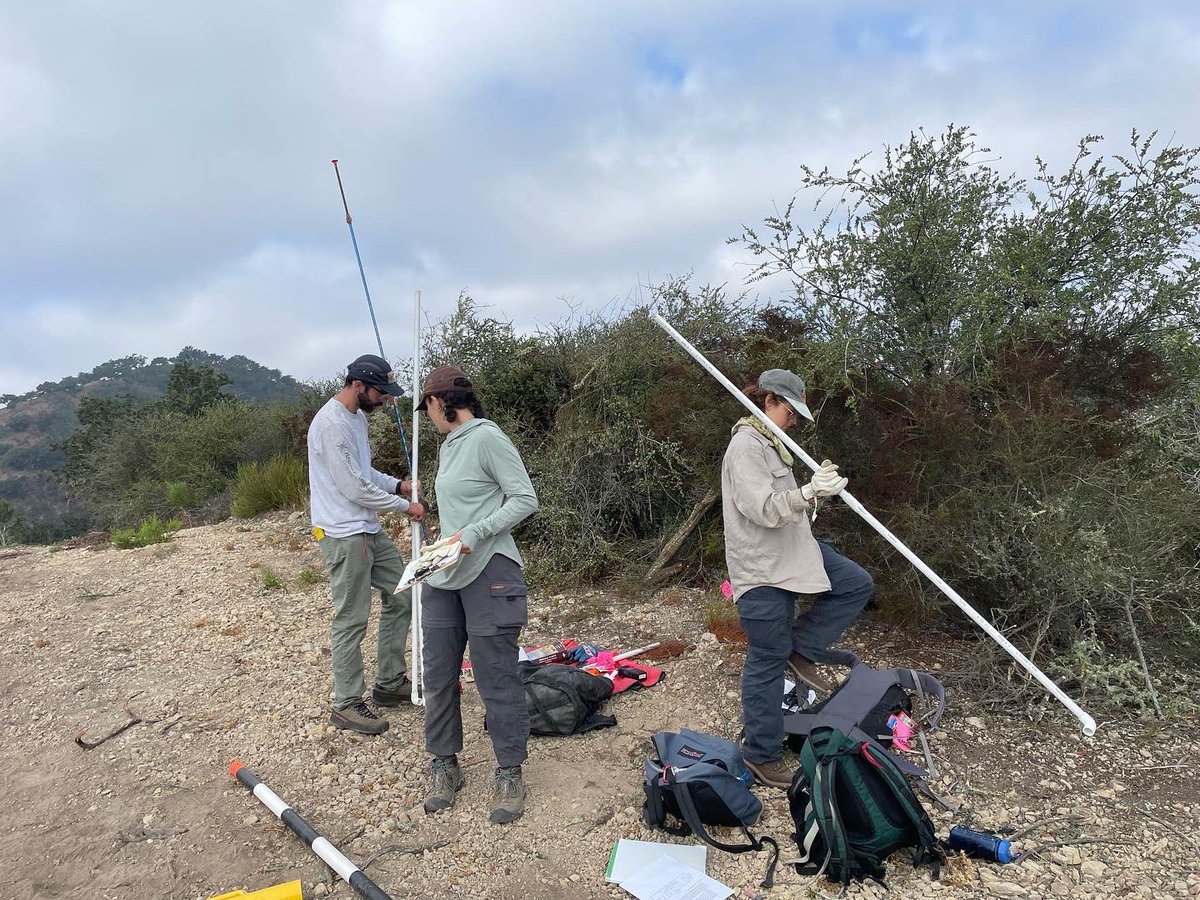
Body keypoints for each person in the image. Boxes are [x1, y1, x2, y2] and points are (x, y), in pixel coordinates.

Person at [721, 368, 874, 789]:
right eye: (790, 412)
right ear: (769, 400)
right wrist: (809, 492)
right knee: (766, 660)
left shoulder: (774, 444)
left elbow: (786, 506)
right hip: (762, 568)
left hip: (795, 551)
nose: (793, 421)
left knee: (855, 583)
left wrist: (818, 491)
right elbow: (762, 508)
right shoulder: (746, 446)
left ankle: (800, 646)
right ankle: (761, 755)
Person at [415, 365, 539, 825]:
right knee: (437, 674)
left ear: (439, 402)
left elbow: (524, 499)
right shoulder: (449, 445)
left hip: (490, 570)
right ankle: (444, 764)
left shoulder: (488, 437)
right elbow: (463, 506)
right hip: (444, 572)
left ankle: (509, 771)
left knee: (495, 676)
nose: (428, 416)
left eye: (427, 406)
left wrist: (475, 533)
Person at [308, 354, 426, 735]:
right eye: (380, 392)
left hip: (367, 528)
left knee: (403, 592)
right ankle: (346, 703)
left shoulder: (356, 419)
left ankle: (389, 683)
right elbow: (353, 487)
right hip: (344, 534)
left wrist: (397, 485)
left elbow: (364, 471)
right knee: (352, 616)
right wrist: (404, 506)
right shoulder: (331, 425)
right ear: (357, 385)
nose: (385, 400)